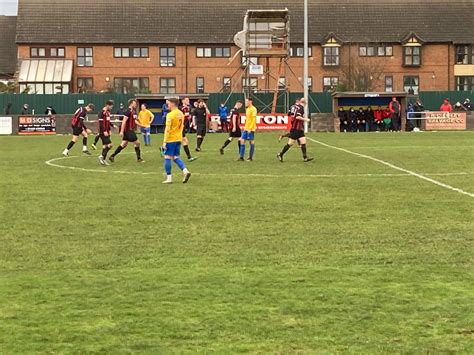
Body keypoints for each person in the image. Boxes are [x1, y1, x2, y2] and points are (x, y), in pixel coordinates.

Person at [162, 98, 192, 184]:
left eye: (169, 103)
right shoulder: (181, 113)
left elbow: (167, 128)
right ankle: (185, 171)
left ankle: (169, 178)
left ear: (173, 104)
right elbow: (182, 126)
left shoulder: (170, 115)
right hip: (178, 138)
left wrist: (165, 141)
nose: (168, 104)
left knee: (167, 157)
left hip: (171, 139)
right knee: (175, 157)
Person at [277, 98, 313, 163]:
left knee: (303, 141)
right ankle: (280, 154)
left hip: (298, 128)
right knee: (290, 143)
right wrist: (306, 119)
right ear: (304, 103)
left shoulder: (293, 106)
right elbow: (297, 117)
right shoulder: (301, 108)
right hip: (296, 128)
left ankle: (305, 157)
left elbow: (288, 114)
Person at [109, 99, 144, 163]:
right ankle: (139, 158)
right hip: (128, 130)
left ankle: (112, 156)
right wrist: (121, 131)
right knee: (137, 143)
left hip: (128, 130)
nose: (135, 104)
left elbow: (134, 120)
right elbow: (124, 122)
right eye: (134, 103)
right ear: (131, 104)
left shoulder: (132, 111)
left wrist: (141, 125)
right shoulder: (128, 111)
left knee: (123, 144)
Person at [98, 100, 114, 166]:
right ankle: (101, 156)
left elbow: (107, 122)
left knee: (105, 146)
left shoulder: (108, 112)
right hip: (102, 132)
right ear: (107, 105)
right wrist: (104, 131)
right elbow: (101, 123)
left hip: (106, 131)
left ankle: (103, 160)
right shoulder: (102, 112)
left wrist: (110, 128)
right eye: (111, 106)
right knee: (110, 145)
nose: (111, 108)